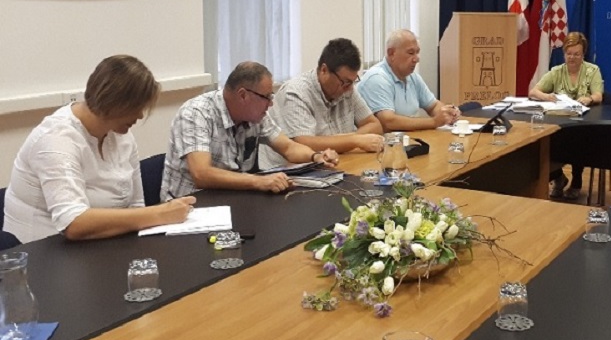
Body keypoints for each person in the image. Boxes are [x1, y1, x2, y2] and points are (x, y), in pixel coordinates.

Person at [3, 56, 196, 243]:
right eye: (136, 107)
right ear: (115, 102)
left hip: (102, 243)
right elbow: (73, 223)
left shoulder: (121, 136)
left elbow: (136, 206)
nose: (139, 116)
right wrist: (159, 214)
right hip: (42, 249)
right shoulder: (56, 140)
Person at [162, 61, 339, 198]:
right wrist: (258, 181)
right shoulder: (196, 113)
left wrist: (316, 157)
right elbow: (202, 174)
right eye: (266, 97)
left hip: (233, 198)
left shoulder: (256, 116)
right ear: (243, 95)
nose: (271, 103)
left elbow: (288, 147)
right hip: (189, 208)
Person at [259, 39, 384, 170]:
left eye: (352, 82)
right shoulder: (296, 92)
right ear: (324, 70)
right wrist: (355, 141)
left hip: (337, 163)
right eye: (345, 82)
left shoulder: (347, 89)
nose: (349, 88)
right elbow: (304, 143)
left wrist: (346, 141)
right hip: (289, 171)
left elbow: (374, 125)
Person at [528, 32, 604, 200]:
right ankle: (558, 177)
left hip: (583, 125)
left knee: (579, 140)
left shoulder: (592, 70)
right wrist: (546, 96)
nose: (572, 58)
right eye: (568, 53)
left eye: (576, 54)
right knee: (544, 142)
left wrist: (590, 98)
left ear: (583, 54)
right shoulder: (557, 71)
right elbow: (533, 92)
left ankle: (577, 180)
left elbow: (599, 95)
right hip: (559, 122)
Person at [358, 30, 460, 132]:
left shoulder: (412, 77)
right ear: (391, 53)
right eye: (411, 53)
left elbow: (433, 106)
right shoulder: (377, 78)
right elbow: (388, 122)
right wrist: (434, 122)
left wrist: (447, 114)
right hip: (383, 140)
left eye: (417, 52)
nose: (416, 59)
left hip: (409, 139)